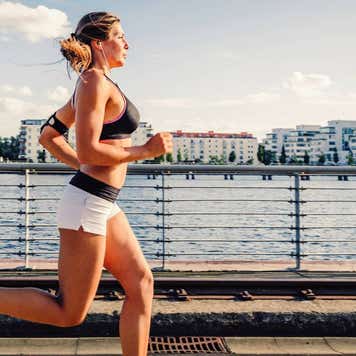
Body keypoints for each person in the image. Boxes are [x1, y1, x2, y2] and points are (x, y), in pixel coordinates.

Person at [0, 11, 173, 356]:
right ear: (99, 43)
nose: (127, 42)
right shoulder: (93, 81)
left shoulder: (98, 82)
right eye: (120, 36)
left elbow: (49, 136)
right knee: (68, 313)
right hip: (88, 204)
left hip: (103, 203)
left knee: (141, 283)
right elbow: (89, 148)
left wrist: (86, 163)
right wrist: (144, 151)